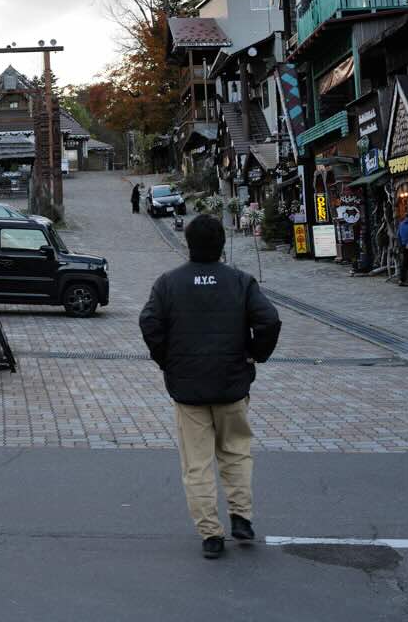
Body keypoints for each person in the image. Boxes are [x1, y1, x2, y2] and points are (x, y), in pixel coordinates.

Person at [139, 214, 282, 560]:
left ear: (188, 243)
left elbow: (149, 322)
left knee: (197, 463)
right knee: (235, 452)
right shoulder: (240, 281)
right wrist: (254, 354)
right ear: (221, 244)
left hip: (188, 387)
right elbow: (270, 320)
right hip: (232, 383)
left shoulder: (168, 283)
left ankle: (210, 534)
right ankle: (241, 517)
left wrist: (166, 360)